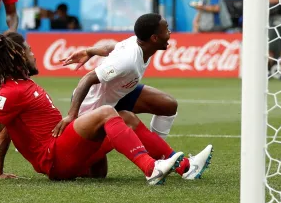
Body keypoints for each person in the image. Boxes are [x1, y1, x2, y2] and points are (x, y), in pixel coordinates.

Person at [0, 32, 183, 185]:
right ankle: (151, 168)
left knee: (126, 117)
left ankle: (182, 165)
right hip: (53, 157)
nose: (34, 54)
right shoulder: (10, 92)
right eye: (30, 51)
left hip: (64, 153)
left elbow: (6, 133)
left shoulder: (24, 87)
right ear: (18, 59)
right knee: (106, 112)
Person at [58, 13, 212, 180]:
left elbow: (113, 47)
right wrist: (72, 116)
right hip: (93, 109)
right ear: (154, 38)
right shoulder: (127, 61)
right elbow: (87, 79)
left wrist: (90, 51)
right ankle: (183, 167)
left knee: (167, 105)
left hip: (118, 95)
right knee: (98, 174)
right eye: (166, 29)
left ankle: (160, 156)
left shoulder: (136, 43)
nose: (170, 33)